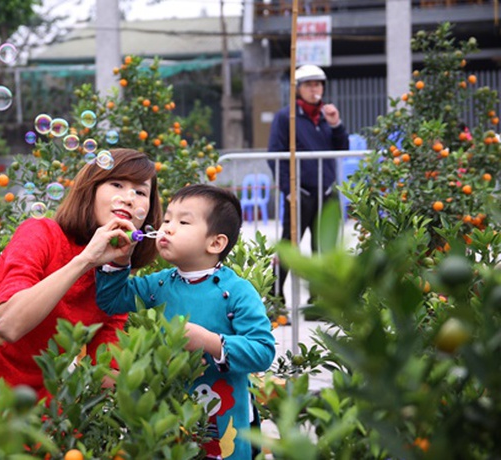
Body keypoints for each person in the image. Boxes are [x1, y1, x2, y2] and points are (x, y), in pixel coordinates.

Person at [92, 184, 276, 460]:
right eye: (166, 219)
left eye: (183, 221)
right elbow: (111, 300)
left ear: (215, 243)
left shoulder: (237, 291)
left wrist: (209, 342)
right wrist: (120, 259)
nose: (167, 228)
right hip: (168, 417)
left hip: (223, 419)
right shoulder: (161, 283)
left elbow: (262, 351)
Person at [0, 148, 163, 400]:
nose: (128, 198)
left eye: (141, 192)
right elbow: (9, 326)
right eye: (116, 184)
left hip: (44, 418)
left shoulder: (114, 286)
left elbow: (105, 377)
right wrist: (86, 260)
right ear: (90, 190)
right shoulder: (40, 233)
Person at [267, 64, 349, 308]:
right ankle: (274, 299)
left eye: (319, 84)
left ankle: (320, 299)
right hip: (299, 192)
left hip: (327, 190)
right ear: (298, 89)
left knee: (324, 248)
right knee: (288, 248)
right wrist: (288, 190)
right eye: (310, 84)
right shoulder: (286, 117)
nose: (316, 89)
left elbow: (342, 149)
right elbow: (275, 154)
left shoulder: (326, 114)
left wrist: (336, 125)